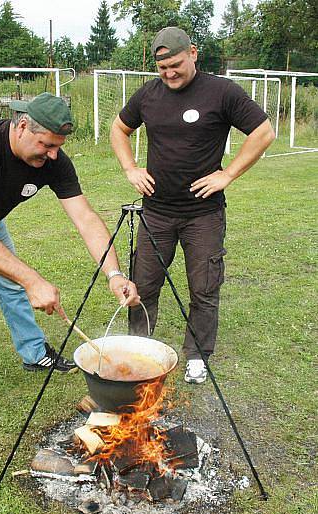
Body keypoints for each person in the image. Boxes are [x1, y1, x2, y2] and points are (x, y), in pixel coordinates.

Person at [0, 92, 140, 437]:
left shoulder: (55, 159)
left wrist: (114, 274)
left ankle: (34, 353)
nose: (53, 154)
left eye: (57, 147)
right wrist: (33, 278)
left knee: (11, 286)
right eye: (46, 145)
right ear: (22, 126)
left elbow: (84, 218)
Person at [110, 27, 275, 385]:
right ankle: (141, 349)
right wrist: (130, 168)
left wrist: (227, 175)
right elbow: (118, 129)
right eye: (162, 67)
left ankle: (197, 356)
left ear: (193, 53)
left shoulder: (222, 92)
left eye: (175, 64)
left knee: (203, 287)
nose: (169, 73)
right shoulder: (149, 95)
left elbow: (264, 131)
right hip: (156, 212)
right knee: (143, 284)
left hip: (203, 215)